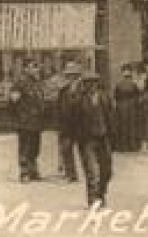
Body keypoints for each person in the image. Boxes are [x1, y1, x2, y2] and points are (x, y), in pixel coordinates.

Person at [67, 70, 115, 209]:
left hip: (103, 137)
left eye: (93, 82)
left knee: (107, 171)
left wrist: (112, 137)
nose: (91, 86)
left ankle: (101, 194)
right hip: (87, 139)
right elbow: (71, 116)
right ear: (84, 85)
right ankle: (93, 199)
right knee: (92, 171)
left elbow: (111, 117)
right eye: (87, 83)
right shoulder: (79, 100)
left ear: (97, 83)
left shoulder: (104, 98)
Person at [8, 59, 45, 182]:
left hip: (37, 122)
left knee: (35, 147)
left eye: (36, 67)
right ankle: (24, 172)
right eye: (33, 67)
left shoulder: (37, 83)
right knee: (25, 147)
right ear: (26, 69)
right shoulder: (20, 83)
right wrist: (19, 117)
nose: (36, 69)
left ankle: (33, 169)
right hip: (25, 122)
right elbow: (13, 102)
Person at [54, 61, 83, 181]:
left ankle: (90, 171)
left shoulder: (83, 89)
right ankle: (71, 174)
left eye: (73, 75)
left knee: (85, 150)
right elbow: (59, 107)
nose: (71, 78)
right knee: (66, 149)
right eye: (69, 75)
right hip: (66, 124)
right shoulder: (63, 90)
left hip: (80, 124)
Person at [111, 66, 141, 153]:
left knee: (125, 126)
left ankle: (124, 147)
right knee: (130, 126)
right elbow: (137, 96)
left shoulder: (120, 84)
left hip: (123, 106)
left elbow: (116, 97)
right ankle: (131, 146)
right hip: (129, 106)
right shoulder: (133, 84)